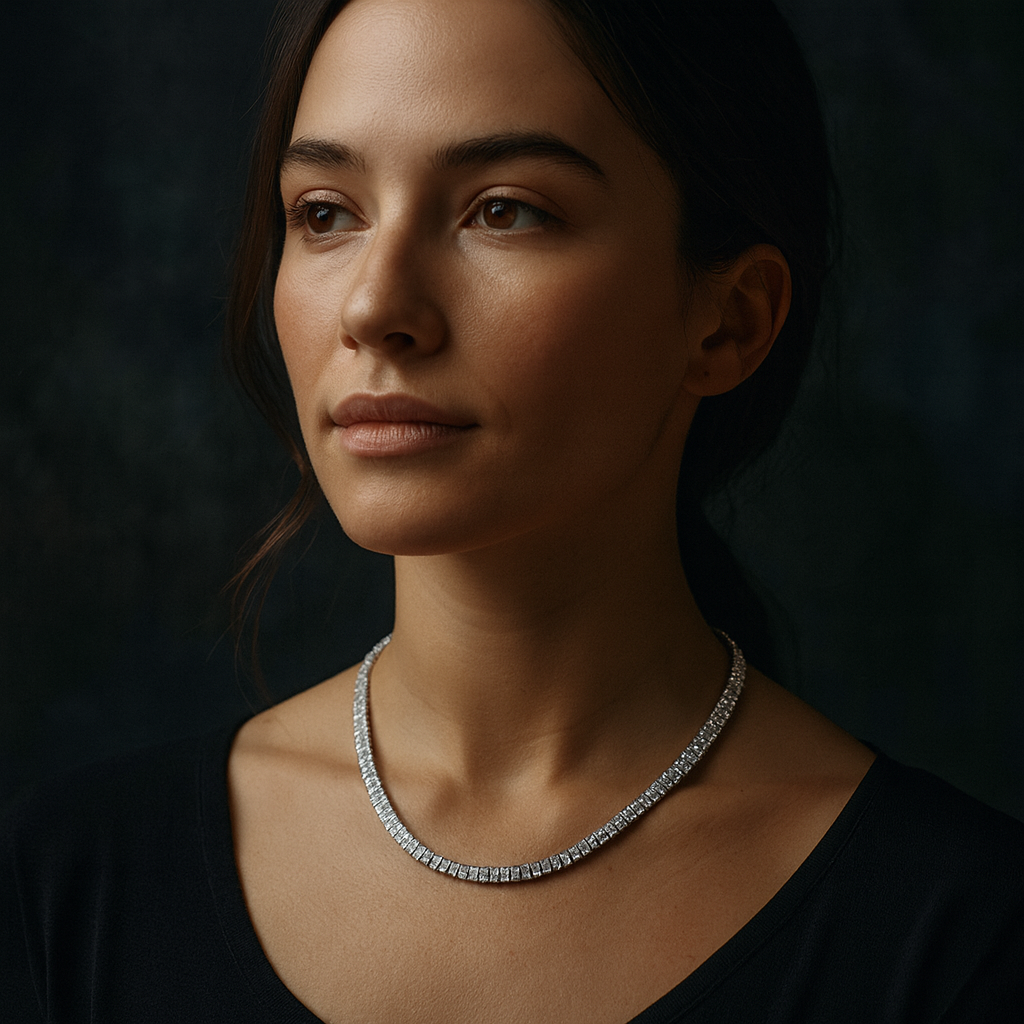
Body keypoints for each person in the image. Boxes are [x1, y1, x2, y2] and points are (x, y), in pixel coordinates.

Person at [3, 1, 1022, 1020]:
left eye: (502, 209)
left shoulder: (957, 936)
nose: (373, 307)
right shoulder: (76, 881)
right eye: (326, 212)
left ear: (728, 320)